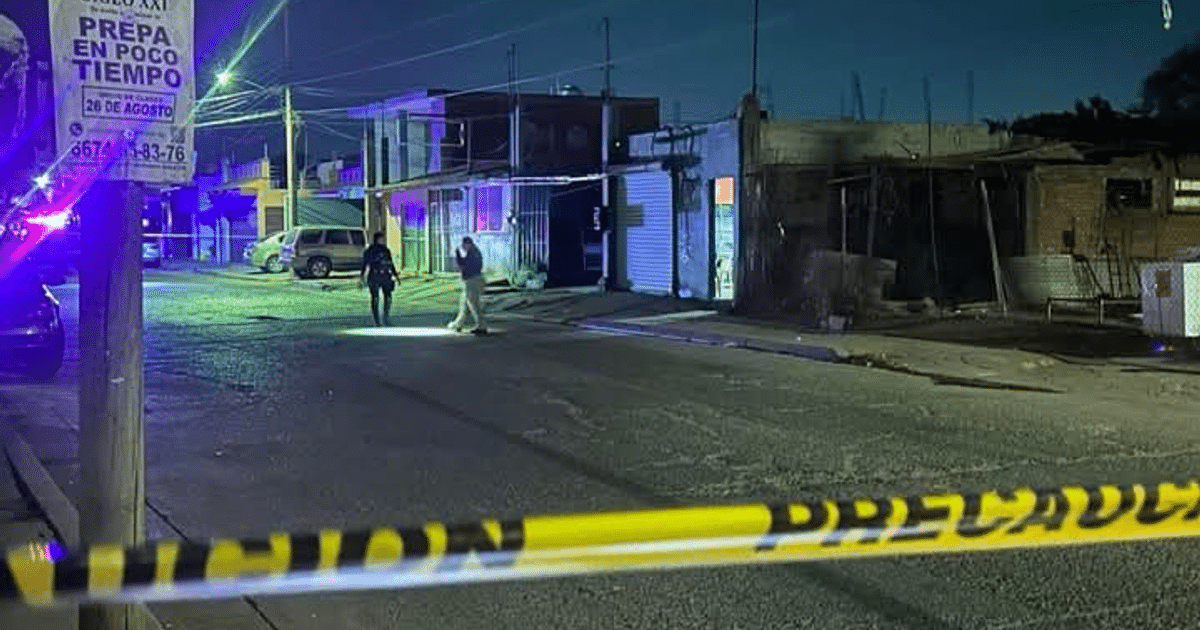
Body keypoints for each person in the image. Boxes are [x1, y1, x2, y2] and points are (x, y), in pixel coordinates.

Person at [359, 232, 401, 327]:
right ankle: (377, 320)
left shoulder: (385, 250)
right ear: (377, 239)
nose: (383, 241)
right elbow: (365, 265)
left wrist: (395, 276)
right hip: (374, 275)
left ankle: (385, 318)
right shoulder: (370, 251)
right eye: (381, 239)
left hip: (385, 275)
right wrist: (362, 277)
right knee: (375, 298)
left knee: (388, 297)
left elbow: (390, 264)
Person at [447, 236, 486, 333]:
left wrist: (457, 255)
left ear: (468, 244)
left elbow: (463, 266)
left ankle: (481, 326)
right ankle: (458, 324)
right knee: (464, 304)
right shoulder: (475, 252)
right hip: (475, 280)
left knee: (473, 305)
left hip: (472, 281)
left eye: (464, 245)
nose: (463, 247)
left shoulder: (473, 253)